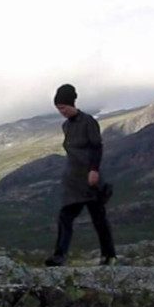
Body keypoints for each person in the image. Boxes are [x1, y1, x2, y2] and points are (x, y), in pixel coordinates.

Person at [44, 83, 117, 266]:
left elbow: (96, 146)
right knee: (65, 217)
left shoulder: (88, 122)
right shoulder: (66, 126)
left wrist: (94, 169)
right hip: (73, 181)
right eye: (58, 108)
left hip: (90, 178)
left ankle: (109, 256)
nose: (61, 111)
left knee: (98, 218)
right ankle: (59, 256)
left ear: (71, 104)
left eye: (63, 107)